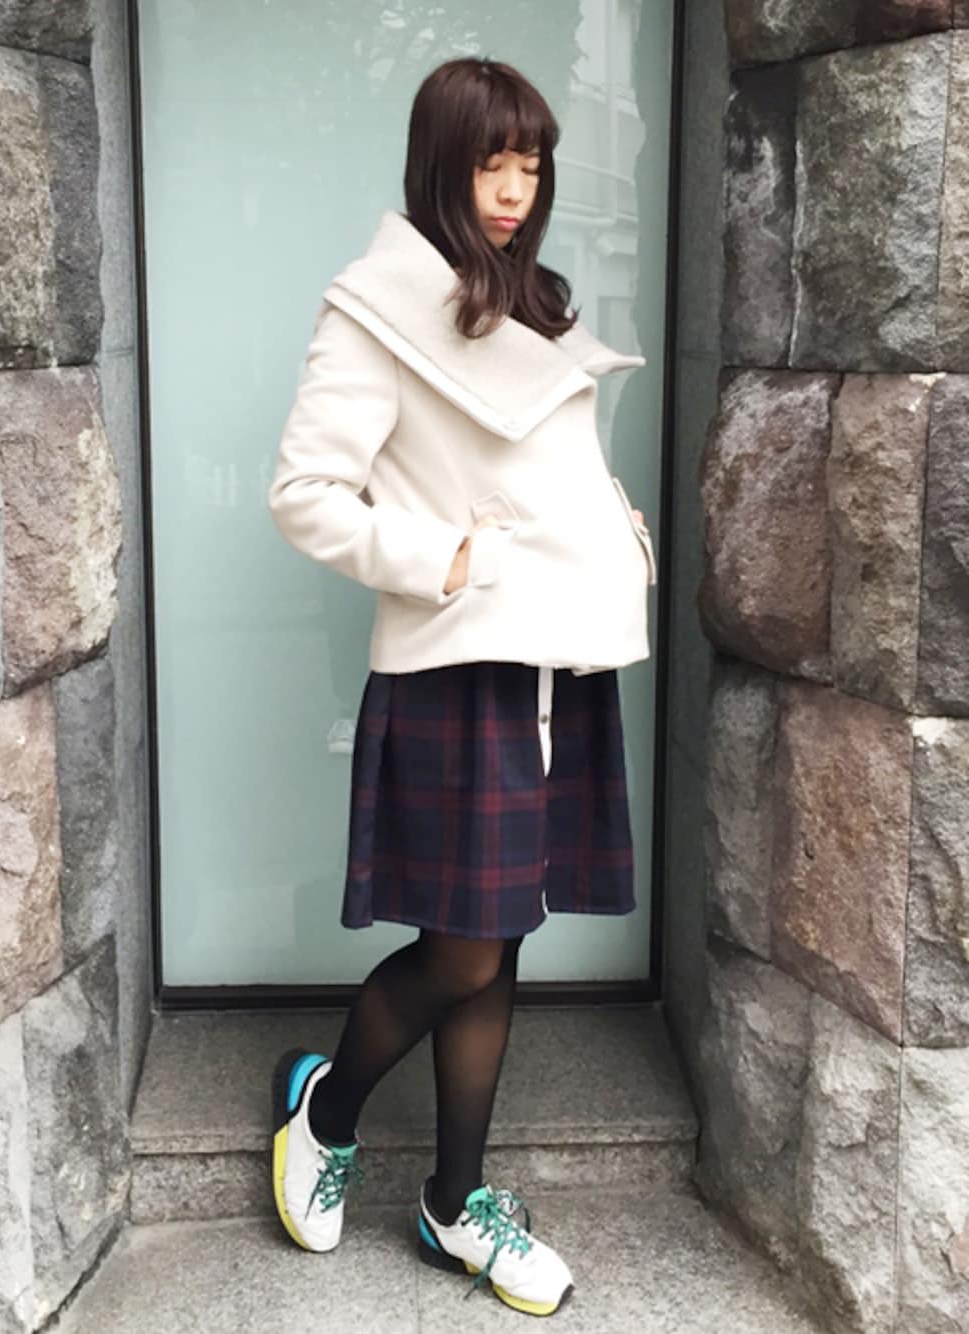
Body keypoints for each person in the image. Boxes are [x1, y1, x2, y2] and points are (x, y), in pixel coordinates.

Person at [266, 55, 655, 1319]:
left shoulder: (535, 300)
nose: (513, 187)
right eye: (492, 160)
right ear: (442, 161)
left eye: (530, 163)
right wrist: (445, 556)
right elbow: (305, 496)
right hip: (456, 662)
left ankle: (452, 1199)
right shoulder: (373, 310)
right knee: (465, 947)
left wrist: (613, 532)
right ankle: (326, 1111)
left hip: (551, 653)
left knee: (500, 943)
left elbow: (549, 467)